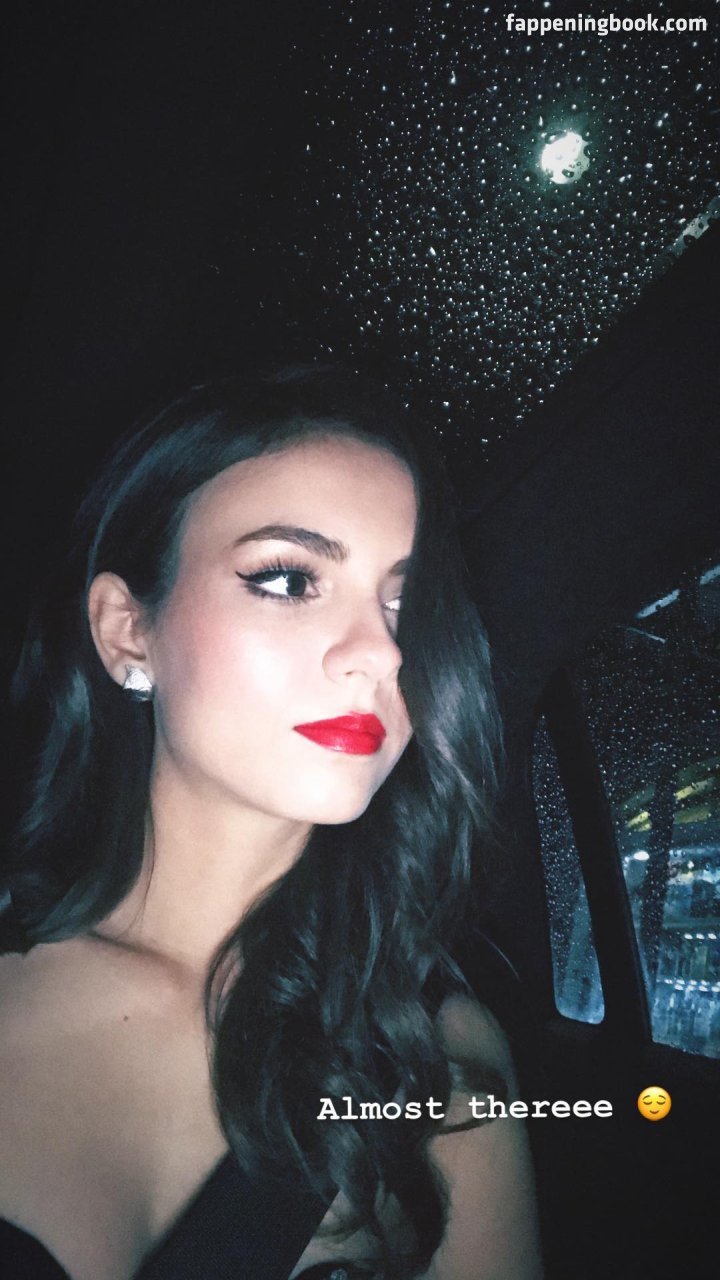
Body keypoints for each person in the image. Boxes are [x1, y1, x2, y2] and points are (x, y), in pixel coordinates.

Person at [0, 368, 543, 1279]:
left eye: (407, 604)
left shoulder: (437, 1061)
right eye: (290, 579)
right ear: (128, 632)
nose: (380, 653)